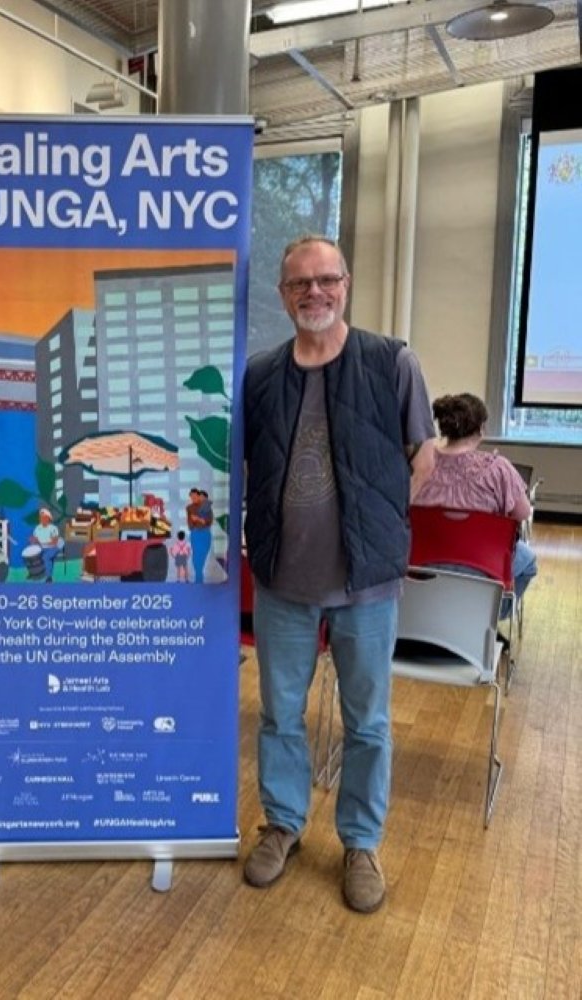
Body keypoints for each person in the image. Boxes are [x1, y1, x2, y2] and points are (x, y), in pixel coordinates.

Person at [242, 235, 436, 914]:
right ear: (283, 295)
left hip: (366, 585)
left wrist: (377, 523)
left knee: (368, 723)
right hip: (281, 582)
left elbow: (424, 456)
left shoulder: (391, 362)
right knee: (280, 717)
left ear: (346, 284)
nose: (314, 293)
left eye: (326, 280)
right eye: (300, 284)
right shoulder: (261, 374)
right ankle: (283, 824)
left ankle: (360, 841)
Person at [414, 392, 537, 608]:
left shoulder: (420, 463)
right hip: (482, 572)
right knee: (528, 561)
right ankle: (489, 615)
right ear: (481, 429)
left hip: (420, 572)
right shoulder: (498, 468)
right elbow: (523, 513)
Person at [185, 488, 213, 582]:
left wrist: (198, 519)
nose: (194, 498)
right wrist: (195, 522)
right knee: (196, 558)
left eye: (195, 496)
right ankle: (199, 580)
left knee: (202, 557)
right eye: (191, 496)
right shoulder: (189, 508)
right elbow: (190, 523)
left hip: (205, 534)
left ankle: (198, 579)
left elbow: (209, 522)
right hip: (195, 533)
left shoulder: (207, 506)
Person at [29, 507, 64, 582]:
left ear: (49, 518)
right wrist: (33, 540)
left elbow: (54, 542)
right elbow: (36, 540)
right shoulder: (37, 528)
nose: (42, 519)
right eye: (41, 518)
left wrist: (42, 543)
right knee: (32, 555)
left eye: (44, 517)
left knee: (46, 557)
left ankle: (49, 577)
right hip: (43, 547)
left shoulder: (53, 528)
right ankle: (34, 573)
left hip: (54, 547)